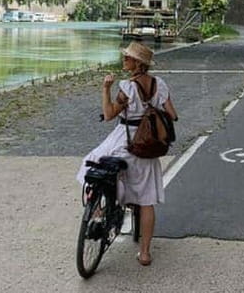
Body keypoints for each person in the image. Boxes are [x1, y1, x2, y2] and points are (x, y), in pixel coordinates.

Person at [76, 41, 178, 267]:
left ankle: (101, 211)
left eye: (128, 58)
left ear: (137, 63)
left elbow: (109, 114)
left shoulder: (127, 87)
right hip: (147, 146)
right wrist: (152, 113)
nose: (124, 60)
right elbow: (172, 114)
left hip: (126, 141)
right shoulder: (160, 84)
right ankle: (144, 253)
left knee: (95, 166)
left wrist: (105, 89)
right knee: (146, 200)